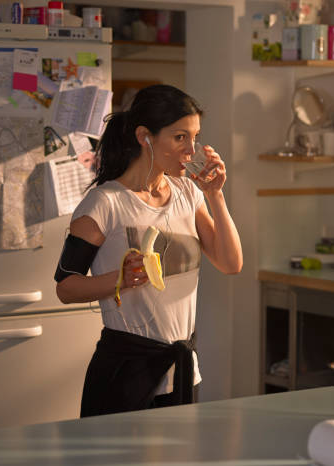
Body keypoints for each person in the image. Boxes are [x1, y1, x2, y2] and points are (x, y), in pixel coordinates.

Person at [54, 84, 243, 417]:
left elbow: (231, 264)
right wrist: (121, 279)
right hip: (125, 372)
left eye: (195, 137)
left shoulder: (188, 193)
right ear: (145, 137)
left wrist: (215, 195)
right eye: (180, 137)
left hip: (182, 370)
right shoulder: (104, 204)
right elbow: (66, 287)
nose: (191, 150)